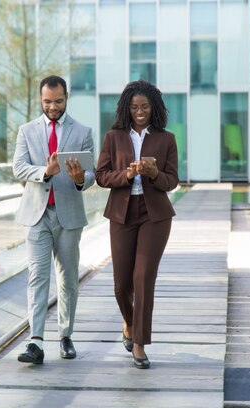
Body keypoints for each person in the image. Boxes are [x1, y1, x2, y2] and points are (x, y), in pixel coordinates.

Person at [95, 80, 179, 369]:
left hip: (155, 215)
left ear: (153, 107)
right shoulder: (113, 137)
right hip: (122, 213)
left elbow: (172, 181)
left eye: (144, 107)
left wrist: (155, 173)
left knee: (143, 278)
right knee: (121, 284)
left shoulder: (166, 139)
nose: (139, 112)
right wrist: (126, 176)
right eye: (134, 107)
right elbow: (102, 176)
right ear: (126, 109)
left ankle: (140, 344)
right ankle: (129, 324)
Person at [13, 75, 95, 364]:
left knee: (68, 278)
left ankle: (65, 335)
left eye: (58, 101)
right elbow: (19, 167)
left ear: (66, 97)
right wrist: (44, 172)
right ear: (40, 99)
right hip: (36, 216)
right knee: (37, 277)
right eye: (47, 101)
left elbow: (90, 175)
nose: (53, 106)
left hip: (69, 216)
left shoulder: (83, 131)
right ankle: (35, 341)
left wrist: (78, 179)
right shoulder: (27, 131)